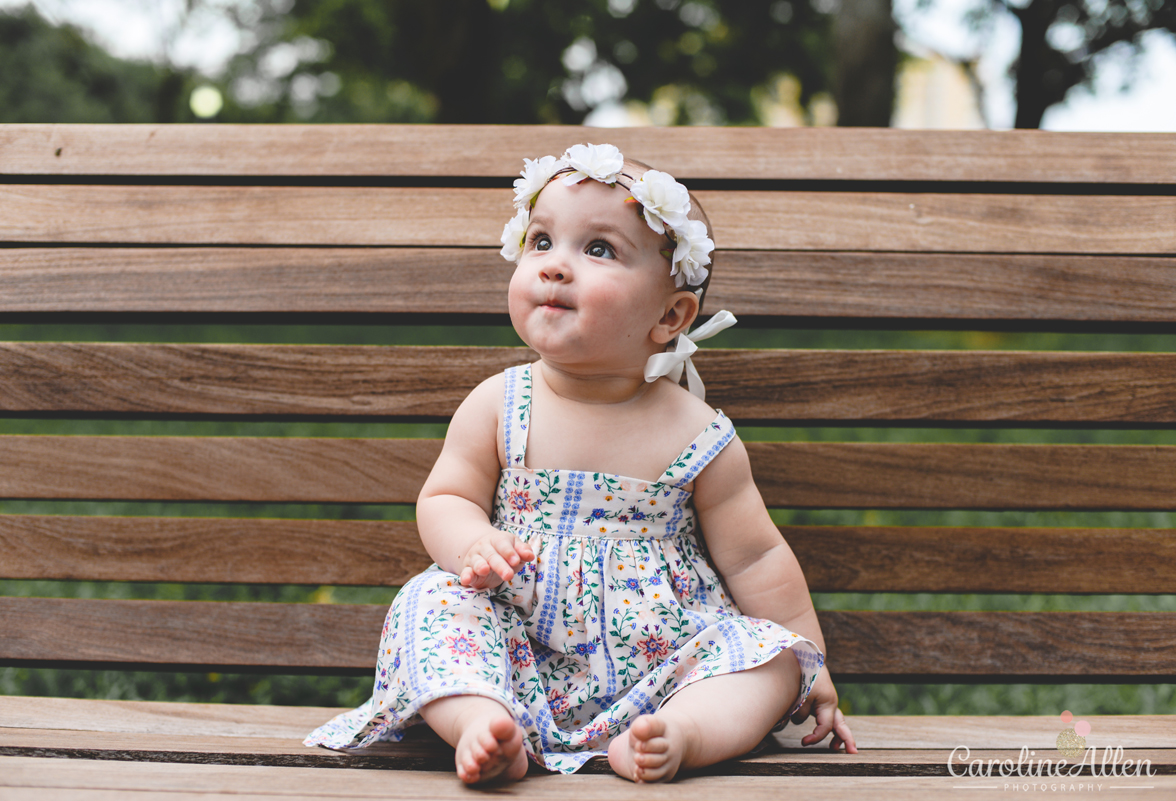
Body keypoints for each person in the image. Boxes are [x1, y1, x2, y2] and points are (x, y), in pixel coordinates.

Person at [304, 143, 858, 784]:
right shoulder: (499, 402)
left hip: (662, 659)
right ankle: (485, 724)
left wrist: (807, 658)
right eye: (540, 241)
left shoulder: (698, 431)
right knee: (432, 605)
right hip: (517, 635)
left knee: (768, 658)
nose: (555, 267)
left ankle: (679, 733)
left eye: (598, 249)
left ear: (670, 315)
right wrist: (473, 544)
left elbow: (756, 557)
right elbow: (445, 498)